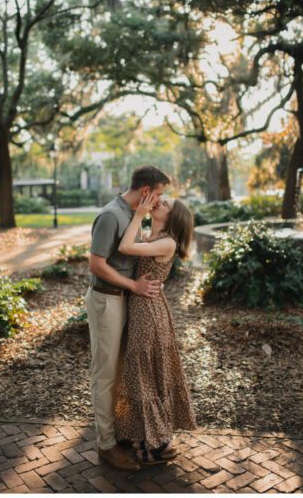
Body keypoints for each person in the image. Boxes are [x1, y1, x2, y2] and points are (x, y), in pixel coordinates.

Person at [85, 166, 168, 471]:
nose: (160, 200)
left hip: (124, 302)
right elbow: (96, 265)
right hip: (107, 300)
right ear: (146, 191)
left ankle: (118, 434)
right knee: (105, 374)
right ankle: (106, 445)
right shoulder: (110, 216)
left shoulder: (132, 215)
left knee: (121, 372)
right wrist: (134, 285)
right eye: (158, 193)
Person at [114, 191, 197, 464]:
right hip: (143, 306)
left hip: (148, 312)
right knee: (143, 374)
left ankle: (158, 443)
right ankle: (146, 438)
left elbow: (125, 248)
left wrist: (138, 215)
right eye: (164, 198)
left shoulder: (166, 243)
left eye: (166, 204)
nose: (160, 201)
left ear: (172, 217)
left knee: (145, 374)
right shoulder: (152, 235)